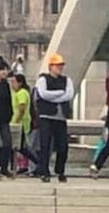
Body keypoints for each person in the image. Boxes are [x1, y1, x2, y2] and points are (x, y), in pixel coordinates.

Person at [35, 53, 74, 183]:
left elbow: (69, 95)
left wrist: (54, 96)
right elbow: (43, 94)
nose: (60, 67)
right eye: (57, 65)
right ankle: (44, 171)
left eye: (61, 65)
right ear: (50, 66)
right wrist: (59, 93)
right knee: (45, 145)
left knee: (63, 146)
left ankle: (60, 170)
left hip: (61, 117)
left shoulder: (67, 80)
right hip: (46, 116)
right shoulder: (42, 80)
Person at [9, 73, 38, 173]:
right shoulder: (16, 93)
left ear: (20, 83)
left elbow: (22, 108)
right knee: (17, 147)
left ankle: (38, 162)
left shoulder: (22, 93)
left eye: (14, 82)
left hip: (20, 123)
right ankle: (16, 166)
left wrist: (16, 121)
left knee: (20, 147)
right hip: (16, 122)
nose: (12, 84)